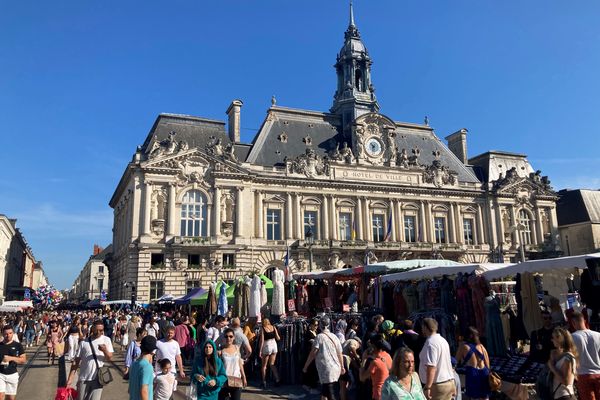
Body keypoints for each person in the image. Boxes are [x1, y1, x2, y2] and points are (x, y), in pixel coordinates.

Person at [67, 319, 114, 400]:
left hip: (98, 379)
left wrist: (105, 350)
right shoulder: (84, 343)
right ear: (92, 329)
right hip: (84, 378)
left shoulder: (106, 340)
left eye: (101, 330)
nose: (99, 332)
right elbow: (76, 362)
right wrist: (70, 380)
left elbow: (110, 358)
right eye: (97, 330)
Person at [303, 316, 345, 400]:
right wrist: (342, 366)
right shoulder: (334, 336)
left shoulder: (319, 337)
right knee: (325, 391)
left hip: (326, 369)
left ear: (320, 325)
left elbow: (313, 353)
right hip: (335, 366)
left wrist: (306, 366)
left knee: (330, 393)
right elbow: (339, 353)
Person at [418, 318, 455, 400]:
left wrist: (428, 387)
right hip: (448, 382)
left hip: (438, 386)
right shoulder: (443, 340)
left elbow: (431, 367)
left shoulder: (431, 343)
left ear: (425, 327)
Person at [570, 311, 600, 400]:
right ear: (585, 321)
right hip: (598, 373)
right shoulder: (598, 335)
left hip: (582, 375)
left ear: (573, 323)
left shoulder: (571, 337)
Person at [455, 327, 490, 400]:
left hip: (472, 373)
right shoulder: (481, 346)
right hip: (484, 372)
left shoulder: (463, 346)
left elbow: (455, 361)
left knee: (474, 397)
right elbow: (487, 364)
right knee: (485, 397)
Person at [359, 334, 393, 400]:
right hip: (388, 392)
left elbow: (362, 378)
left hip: (378, 395)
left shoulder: (375, 363)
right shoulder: (388, 356)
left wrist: (363, 360)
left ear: (373, 346)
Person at [548, 327, 578, 400]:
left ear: (560, 339)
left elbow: (566, 381)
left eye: (553, 337)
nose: (552, 340)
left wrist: (552, 367)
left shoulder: (568, 358)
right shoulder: (562, 356)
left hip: (566, 396)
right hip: (561, 396)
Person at [219, 328, 247, 400]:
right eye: (226, 336)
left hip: (236, 379)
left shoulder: (237, 348)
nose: (228, 338)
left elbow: (239, 363)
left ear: (234, 337)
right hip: (224, 381)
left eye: (231, 336)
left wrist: (244, 377)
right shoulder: (221, 350)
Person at [0, 326, 26, 400]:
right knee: (1, 396)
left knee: (10, 398)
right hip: (1, 374)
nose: (8, 335)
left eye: (10, 333)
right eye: (6, 334)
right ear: (2, 334)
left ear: (13, 333)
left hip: (12, 374)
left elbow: (23, 360)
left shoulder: (18, 345)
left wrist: (11, 358)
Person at [128, 335, 156, 400]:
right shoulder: (147, 367)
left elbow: (129, 390)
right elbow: (144, 390)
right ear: (153, 351)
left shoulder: (134, 364)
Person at [258, 318, 281, 388]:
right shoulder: (273, 327)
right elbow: (278, 338)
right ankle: (277, 379)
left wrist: (260, 350)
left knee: (264, 366)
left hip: (267, 345)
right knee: (272, 364)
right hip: (274, 345)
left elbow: (262, 341)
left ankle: (264, 382)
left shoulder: (263, 328)